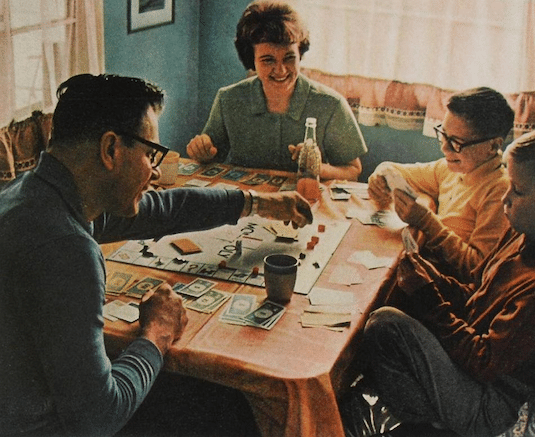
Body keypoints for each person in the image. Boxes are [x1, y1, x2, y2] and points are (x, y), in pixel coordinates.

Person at [0, 73, 312, 436]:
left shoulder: (31, 194)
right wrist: (157, 334)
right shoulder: (67, 250)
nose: (156, 171)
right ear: (111, 149)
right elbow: (97, 419)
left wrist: (256, 201)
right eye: (150, 154)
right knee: (228, 405)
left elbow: (163, 209)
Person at [343, 126, 535, 437]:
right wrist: (433, 279)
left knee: (386, 323)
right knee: (395, 298)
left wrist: (428, 296)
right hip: (470, 369)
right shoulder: (523, 234)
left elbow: (482, 362)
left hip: (484, 403)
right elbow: (476, 292)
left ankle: (425, 426)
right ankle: (396, 410)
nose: (505, 199)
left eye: (517, 191)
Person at [186, 0, 367, 181]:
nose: (281, 70)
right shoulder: (228, 99)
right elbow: (211, 158)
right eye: (268, 60)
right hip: (243, 200)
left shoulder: (331, 104)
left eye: (289, 58)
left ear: (300, 54)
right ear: (252, 61)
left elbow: (352, 171)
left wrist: (316, 167)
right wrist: (201, 152)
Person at [368, 87, 514, 281]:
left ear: (493, 146)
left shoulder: (499, 192)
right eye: (443, 135)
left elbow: (477, 269)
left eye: (456, 142)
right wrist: (381, 175)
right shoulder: (451, 169)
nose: (445, 148)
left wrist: (427, 222)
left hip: (449, 291)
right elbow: (394, 169)